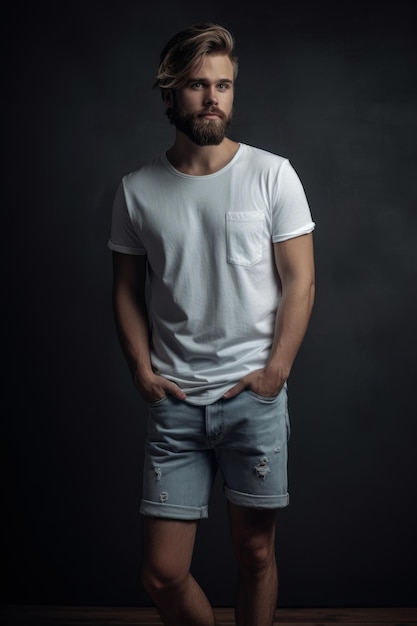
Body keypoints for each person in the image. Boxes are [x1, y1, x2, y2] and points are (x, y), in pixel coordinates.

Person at [109, 21, 315, 626]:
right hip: (174, 401)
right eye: (198, 85)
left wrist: (276, 369)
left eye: (223, 85)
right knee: (163, 574)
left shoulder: (272, 175)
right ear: (171, 93)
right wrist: (142, 373)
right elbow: (124, 290)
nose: (213, 99)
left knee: (255, 554)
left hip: (251, 396)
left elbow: (300, 281)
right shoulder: (136, 191)